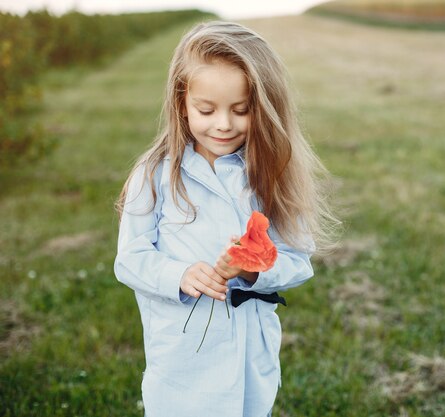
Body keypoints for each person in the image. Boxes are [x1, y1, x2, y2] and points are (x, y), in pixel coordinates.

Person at [114, 21, 337, 417]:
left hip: (249, 355)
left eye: (241, 110)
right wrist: (178, 275)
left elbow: (298, 261)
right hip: (181, 354)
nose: (223, 124)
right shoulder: (154, 174)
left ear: (265, 108)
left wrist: (253, 271)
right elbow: (129, 258)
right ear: (182, 103)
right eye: (206, 109)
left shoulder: (271, 173)